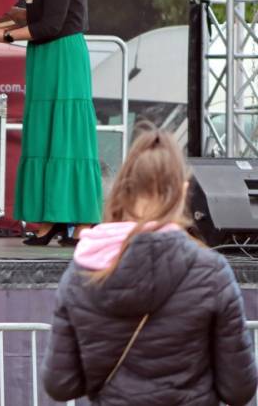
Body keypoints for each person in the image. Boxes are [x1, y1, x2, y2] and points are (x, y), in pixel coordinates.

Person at [42, 128, 257, 405]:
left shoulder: (83, 271)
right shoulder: (212, 273)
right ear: (183, 192)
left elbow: (61, 384)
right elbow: (238, 389)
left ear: (123, 192)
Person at [0, 0, 101, 246]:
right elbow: (32, 14)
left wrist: (3, 36)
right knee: (47, 134)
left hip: (61, 56)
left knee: (66, 135)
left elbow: (50, 25)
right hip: (47, 56)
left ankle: (81, 221)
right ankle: (52, 218)